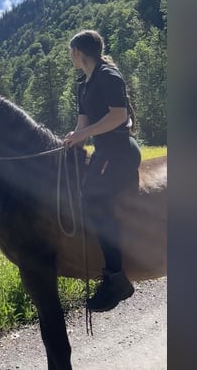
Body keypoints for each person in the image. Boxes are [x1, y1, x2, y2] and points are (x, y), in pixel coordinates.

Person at [63, 29, 141, 312]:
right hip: (104, 151)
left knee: (93, 201)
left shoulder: (108, 76)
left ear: (77, 52)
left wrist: (86, 134)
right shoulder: (84, 83)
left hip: (119, 152)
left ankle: (116, 278)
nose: (69, 57)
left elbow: (120, 116)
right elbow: (84, 122)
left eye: (70, 52)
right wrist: (74, 136)